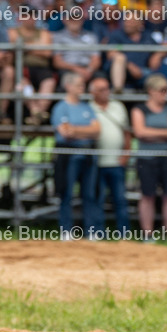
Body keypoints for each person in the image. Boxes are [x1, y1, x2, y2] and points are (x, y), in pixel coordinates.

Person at [51, 72, 102, 240]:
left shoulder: (87, 107)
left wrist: (75, 130)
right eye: (79, 84)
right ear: (68, 86)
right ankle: (66, 230)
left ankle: (91, 230)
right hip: (68, 155)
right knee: (66, 192)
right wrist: (86, 131)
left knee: (89, 194)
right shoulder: (60, 107)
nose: (82, 87)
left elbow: (97, 131)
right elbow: (65, 132)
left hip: (87, 154)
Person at [131, 74, 167, 239]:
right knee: (147, 195)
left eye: (166, 90)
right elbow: (140, 132)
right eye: (162, 90)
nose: (165, 94)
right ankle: (147, 234)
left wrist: (151, 133)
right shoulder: (139, 109)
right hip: (147, 158)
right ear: (151, 91)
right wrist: (166, 133)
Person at [88, 76, 131, 238]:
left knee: (120, 199)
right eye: (101, 90)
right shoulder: (88, 108)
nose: (106, 92)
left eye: (107, 88)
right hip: (96, 163)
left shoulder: (118, 107)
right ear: (93, 92)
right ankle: (97, 232)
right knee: (97, 199)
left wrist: (126, 153)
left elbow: (126, 132)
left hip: (116, 162)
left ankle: (124, 234)